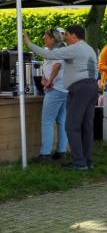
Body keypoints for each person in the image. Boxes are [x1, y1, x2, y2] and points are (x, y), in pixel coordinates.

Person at [24, 25, 99, 171]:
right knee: (87, 127)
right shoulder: (88, 48)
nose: (65, 38)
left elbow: (49, 55)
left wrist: (29, 43)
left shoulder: (75, 48)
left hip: (80, 89)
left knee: (72, 126)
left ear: (73, 35)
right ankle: (87, 160)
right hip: (92, 88)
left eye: (67, 35)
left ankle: (79, 163)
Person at [35, 28, 68, 163]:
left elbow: (57, 66)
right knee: (61, 121)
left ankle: (45, 154)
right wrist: (44, 78)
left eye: (46, 37)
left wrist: (49, 81)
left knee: (47, 121)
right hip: (64, 89)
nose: (44, 38)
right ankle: (61, 151)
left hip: (56, 89)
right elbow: (49, 67)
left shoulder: (57, 51)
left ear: (53, 39)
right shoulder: (53, 51)